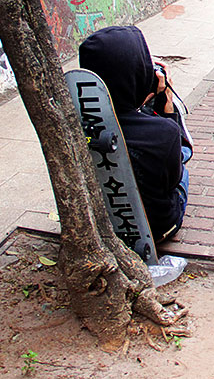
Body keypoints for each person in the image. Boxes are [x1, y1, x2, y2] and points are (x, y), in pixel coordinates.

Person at [79, 26, 192, 243]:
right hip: (158, 228)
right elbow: (172, 180)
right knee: (182, 158)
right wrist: (166, 106)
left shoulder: (71, 127)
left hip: (99, 226)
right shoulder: (163, 132)